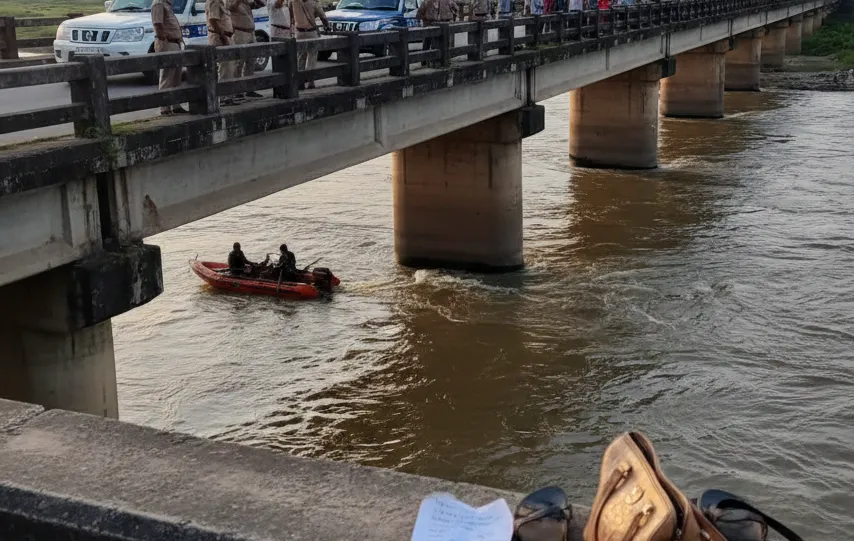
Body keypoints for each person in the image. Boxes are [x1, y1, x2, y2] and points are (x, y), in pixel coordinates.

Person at [151, 0, 188, 115]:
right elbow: (158, 24)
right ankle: (164, 107)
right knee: (167, 75)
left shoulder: (166, 4)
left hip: (175, 43)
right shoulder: (158, 3)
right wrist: (164, 38)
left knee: (176, 76)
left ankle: (176, 105)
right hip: (168, 43)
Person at [228, 0, 266, 98]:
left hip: (251, 33)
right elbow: (231, 8)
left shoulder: (246, 2)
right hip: (239, 32)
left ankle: (249, 89)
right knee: (238, 63)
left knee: (251, 61)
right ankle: (237, 91)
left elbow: (261, 4)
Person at [291, 0, 330, 89]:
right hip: (311, 32)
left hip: (299, 32)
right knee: (312, 56)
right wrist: (327, 26)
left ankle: (300, 82)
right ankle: (310, 81)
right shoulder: (313, 2)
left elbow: (291, 14)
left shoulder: (293, 1)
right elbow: (323, 16)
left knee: (301, 56)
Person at [206, 0, 236, 105]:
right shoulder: (215, 1)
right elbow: (213, 20)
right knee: (224, 68)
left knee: (229, 68)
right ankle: (224, 97)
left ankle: (227, 96)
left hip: (226, 36)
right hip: (220, 37)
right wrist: (223, 37)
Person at [417, 0, 458, 66]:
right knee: (430, 43)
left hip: (436, 25)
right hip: (432, 24)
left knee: (431, 43)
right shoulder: (427, 2)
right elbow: (419, 14)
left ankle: (433, 61)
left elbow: (419, 14)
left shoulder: (427, 2)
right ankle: (429, 61)